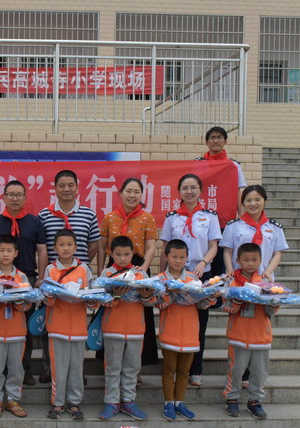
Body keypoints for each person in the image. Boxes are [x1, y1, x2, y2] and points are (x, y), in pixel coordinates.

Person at [159, 173, 221, 387]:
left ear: (200, 191)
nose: (189, 191)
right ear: (179, 191)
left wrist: (203, 262)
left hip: (200, 275)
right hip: (175, 276)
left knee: (199, 324)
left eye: (193, 187)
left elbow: (213, 246)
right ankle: (172, 367)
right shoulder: (172, 217)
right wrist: (160, 276)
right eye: (185, 188)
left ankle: (195, 369)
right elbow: (165, 248)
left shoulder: (210, 216)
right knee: (173, 320)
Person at [0, 180, 47, 385]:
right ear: (3, 197)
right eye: (10, 194)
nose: (15, 198)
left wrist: (40, 278)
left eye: (19, 194)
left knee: (24, 327)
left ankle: (23, 368)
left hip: (25, 279)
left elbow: (42, 250)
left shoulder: (34, 222)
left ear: (25, 198)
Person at [97, 177, 158, 370]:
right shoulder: (110, 217)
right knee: (111, 309)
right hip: (114, 267)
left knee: (141, 315)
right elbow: (102, 246)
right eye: (128, 191)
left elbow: (151, 246)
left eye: (136, 192)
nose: (132, 195)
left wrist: (144, 267)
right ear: (120, 193)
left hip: (138, 267)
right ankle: (109, 364)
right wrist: (100, 271)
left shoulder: (147, 218)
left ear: (142, 195)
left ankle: (137, 367)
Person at [156, 240, 218, 421]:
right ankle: (168, 402)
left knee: (184, 371)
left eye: (182, 257)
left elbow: (202, 305)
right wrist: (170, 293)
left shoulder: (194, 279)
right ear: (166, 256)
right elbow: (158, 304)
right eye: (174, 256)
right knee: (169, 370)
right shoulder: (160, 279)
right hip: (170, 330)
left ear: (187, 258)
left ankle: (179, 402)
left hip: (191, 332)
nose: (178, 260)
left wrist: (211, 296)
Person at [97, 236, 155, 421]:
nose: (122, 258)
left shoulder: (141, 274)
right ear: (111, 254)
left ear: (133, 254)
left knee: (132, 368)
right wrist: (115, 295)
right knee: (112, 368)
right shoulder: (106, 274)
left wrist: (146, 296)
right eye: (118, 254)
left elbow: (150, 303)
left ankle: (129, 401)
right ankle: (111, 402)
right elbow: (100, 301)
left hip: (136, 329)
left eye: (127, 254)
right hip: (112, 328)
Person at [41, 229, 96, 421]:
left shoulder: (84, 269)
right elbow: (47, 299)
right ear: (55, 247)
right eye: (61, 245)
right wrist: (50, 295)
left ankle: (74, 403)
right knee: (58, 368)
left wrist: (91, 299)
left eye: (69, 244)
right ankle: (57, 403)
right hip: (57, 327)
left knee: (76, 368)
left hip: (79, 328)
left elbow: (91, 299)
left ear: (76, 247)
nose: (66, 248)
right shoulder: (50, 269)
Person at [223, 243, 275, 420]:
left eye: (254, 260)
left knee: (260, 372)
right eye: (246, 260)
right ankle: (231, 398)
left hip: (261, 335)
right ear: (238, 260)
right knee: (236, 369)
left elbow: (272, 310)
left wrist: (273, 301)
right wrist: (237, 300)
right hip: (238, 334)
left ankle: (255, 401)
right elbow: (226, 307)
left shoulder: (266, 282)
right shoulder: (231, 281)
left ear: (261, 260)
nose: (250, 263)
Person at [0, 234, 30, 419]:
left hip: (17, 330)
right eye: (2, 250)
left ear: (16, 253)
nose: (5, 254)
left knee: (16, 368)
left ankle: (13, 399)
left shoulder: (21, 277)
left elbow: (27, 304)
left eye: (9, 250)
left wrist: (17, 300)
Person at [195, 126, 247, 278]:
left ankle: (217, 292)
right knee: (201, 258)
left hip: (225, 221)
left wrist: (241, 217)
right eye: (212, 137)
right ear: (206, 142)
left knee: (220, 262)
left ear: (225, 141)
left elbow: (237, 191)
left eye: (219, 137)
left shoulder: (233, 165)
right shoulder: (197, 163)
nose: (216, 140)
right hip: (201, 220)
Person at [221, 185, 288, 281]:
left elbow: (277, 253)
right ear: (243, 203)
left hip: (263, 278)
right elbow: (228, 251)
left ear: (265, 201)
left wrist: (268, 271)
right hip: (237, 278)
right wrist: (230, 269)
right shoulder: (233, 226)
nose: (253, 203)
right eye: (248, 200)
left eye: (257, 199)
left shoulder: (274, 227)